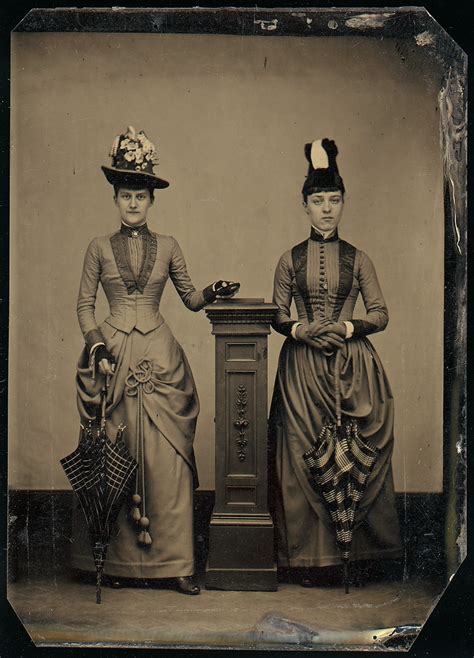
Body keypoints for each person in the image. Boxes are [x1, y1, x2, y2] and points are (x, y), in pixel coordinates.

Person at [71, 126, 238, 595]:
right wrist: (97, 346)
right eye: (126, 195)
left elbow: (188, 299)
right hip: (113, 359)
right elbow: (85, 306)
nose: (133, 204)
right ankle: (117, 564)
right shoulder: (98, 248)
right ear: (116, 198)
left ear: (151, 200)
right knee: (115, 454)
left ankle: (177, 565)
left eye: (140, 196)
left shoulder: (169, 245)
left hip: (161, 358)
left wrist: (213, 291)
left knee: (167, 461)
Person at [269, 138, 402, 587]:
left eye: (334, 200)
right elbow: (278, 315)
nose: (326, 209)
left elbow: (380, 314)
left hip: (353, 367)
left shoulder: (359, 258)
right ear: (304, 206)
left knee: (357, 450)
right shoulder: (289, 259)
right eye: (317, 201)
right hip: (302, 373)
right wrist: (301, 330)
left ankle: (363, 557)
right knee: (301, 454)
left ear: (342, 204)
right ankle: (310, 561)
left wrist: (346, 328)